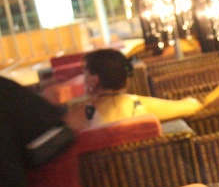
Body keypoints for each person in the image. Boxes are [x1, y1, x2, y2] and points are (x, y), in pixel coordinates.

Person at [70, 48, 202, 127]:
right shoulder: (140, 105)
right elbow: (193, 107)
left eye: (85, 74)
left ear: (95, 80)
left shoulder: (82, 116)